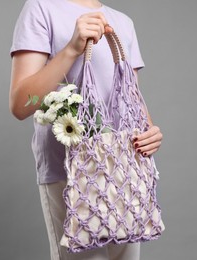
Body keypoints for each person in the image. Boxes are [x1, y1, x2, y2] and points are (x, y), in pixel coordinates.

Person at [9, 0, 163, 259]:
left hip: (125, 171)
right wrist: (71, 49)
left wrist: (150, 132)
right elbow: (22, 104)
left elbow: (131, 99)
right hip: (70, 171)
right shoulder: (41, 8)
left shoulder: (123, 22)